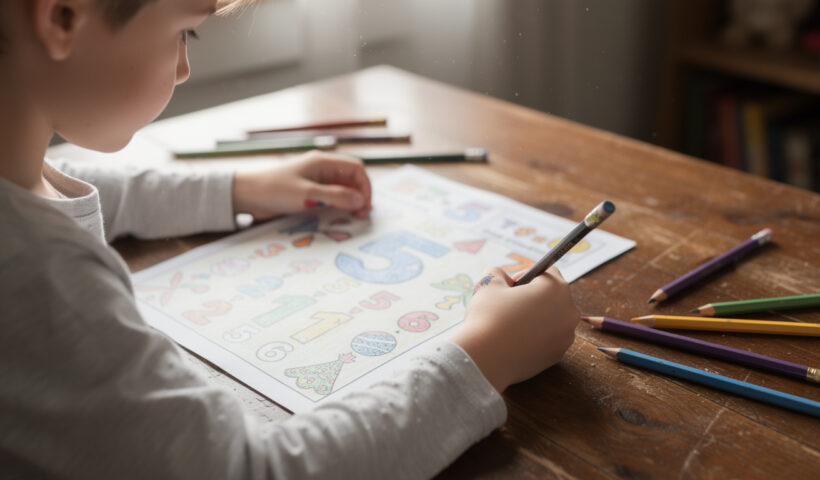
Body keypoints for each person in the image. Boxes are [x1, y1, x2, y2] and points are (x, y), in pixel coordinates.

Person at [0, 0, 580, 478]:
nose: (182, 69)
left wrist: (236, 188)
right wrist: (487, 354)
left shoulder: (19, 171)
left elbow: (66, 186)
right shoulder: (41, 281)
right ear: (63, 17)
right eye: (186, 34)